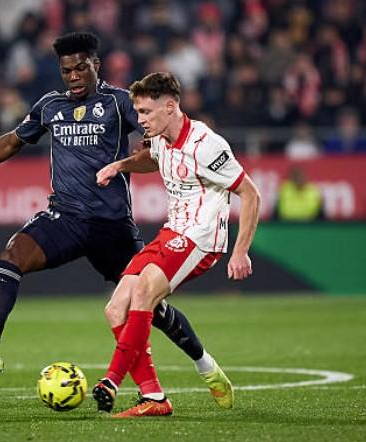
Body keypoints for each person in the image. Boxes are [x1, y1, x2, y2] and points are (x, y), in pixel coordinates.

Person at [0, 32, 216, 384]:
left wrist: (148, 147)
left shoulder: (119, 102)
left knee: (150, 305)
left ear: (96, 65)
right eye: (66, 71)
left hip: (112, 227)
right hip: (64, 218)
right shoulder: (50, 105)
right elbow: (11, 142)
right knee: (13, 254)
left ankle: (204, 363)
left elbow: (156, 135)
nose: (74, 76)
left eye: (81, 68)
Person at [92, 72, 261, 417]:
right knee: (115, 309)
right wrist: (120, 165)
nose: (140, 120)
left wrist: (240, 250)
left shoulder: (206, 144)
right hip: (171, 232)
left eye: (146, 112)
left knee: (144, 293)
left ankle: (111, 381)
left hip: (201, 238)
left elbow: (250, 193)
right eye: (138, 112)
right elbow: (151, 158)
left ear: (170, 107)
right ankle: (157, 396)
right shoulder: (158, 137)